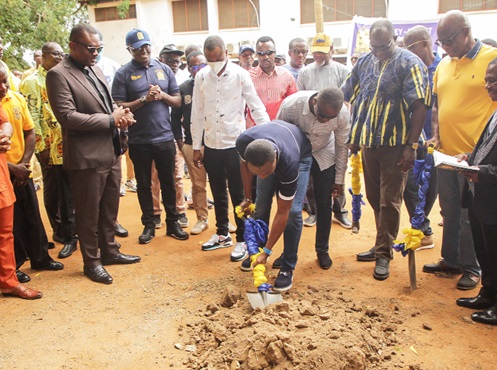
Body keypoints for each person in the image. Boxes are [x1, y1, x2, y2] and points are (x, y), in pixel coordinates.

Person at [46, 23, 141, 284]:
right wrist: (112, 119)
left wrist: (122, 117)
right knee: (88, 213)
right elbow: (68, 117)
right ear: (73, 46)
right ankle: (92, 261)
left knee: (109, 208)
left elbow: (107, 103)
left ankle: (109, 251)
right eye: (91, 49)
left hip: (110, 151)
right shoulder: (58, 75)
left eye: (99, 49)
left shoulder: (94, 68)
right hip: (86, 158)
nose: (95, 53)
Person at [342, 19, 431, 281]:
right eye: (374, 46)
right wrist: (353, 136)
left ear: (395, 39)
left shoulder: (409, 62)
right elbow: (348, 93)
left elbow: (419, 107)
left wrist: (411, 146)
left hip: (396, 146)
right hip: (370, 143)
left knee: (389, 200)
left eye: (384, 45)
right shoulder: (365, 62)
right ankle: (382, 243)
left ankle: (384, 255)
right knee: (373, 196)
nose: (378, 51)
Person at [422, 10, 497, 290]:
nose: (445, 47)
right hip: (446, 154)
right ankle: (450, 260)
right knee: (449, 210)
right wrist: (436, 135)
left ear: (466, 31)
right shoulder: (443, 64)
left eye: (449, 40)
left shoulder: (491, 58)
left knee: (470, 215)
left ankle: (472, 267)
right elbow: (438, 105)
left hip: (476, 158)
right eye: (441, 42)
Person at [191, 35, 269, 255]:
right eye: (208, 59)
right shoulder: (201, 77)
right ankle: (222, 233)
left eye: (216, 58)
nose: (213, 63)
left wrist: (270, 133)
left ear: (226, 53)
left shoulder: (241, 75)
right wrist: (197, 146)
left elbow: (256, 106)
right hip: (211, 144)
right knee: (217, 191)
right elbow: (196, 113)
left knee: (239, 193)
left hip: (235, 144)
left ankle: (243, 239)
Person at [112, 29, 188, 244]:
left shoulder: (163, 69)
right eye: (138, 48)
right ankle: (149, 223)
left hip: (164, 137)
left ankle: (173, 222)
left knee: (169, 182)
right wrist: (144, 99)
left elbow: (178, 100)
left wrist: (161, 95)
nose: (144, 51)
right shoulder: (123, 73)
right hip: (139, 139)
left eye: (146, 46)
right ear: (129, 50)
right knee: (144, 184)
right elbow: (119, 106)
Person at [268, 87, 350, 271]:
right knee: (291, 207)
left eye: (330, 118)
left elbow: (342, 146)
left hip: (324, 154)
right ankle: (287, 252)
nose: (325, 120)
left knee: (324, 203)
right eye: (322, 115)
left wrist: (339, 179)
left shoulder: (342, 114)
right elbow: (278, 135)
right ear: (314, 102)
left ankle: (322, 250)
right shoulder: (292, 105)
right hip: (295, 154)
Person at [1, 63, 65, 283]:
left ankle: (40, 257)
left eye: (4, 80)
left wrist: (25, 164)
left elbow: (30, 131)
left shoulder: (16, 99)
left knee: (32, 215)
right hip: (4, 173)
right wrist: (12, 168)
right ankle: (14, 266)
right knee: (11, 224)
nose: (3, 86)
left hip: (22, 169)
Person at [19, 42, 79, 259]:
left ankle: (69, 228)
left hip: (67, 144)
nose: (59, 57)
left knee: (68, 189)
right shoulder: (31, 82)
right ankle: (60, 230)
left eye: (61, 53)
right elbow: (32, 118)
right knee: (54, 190)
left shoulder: (62, 76)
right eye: (55, 54)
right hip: (49, 146)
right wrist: (41, 148)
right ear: (43, 56)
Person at [236, 121, 312, 291]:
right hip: (270, 148)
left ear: (275, 160)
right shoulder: (243, 141)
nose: (262, 177)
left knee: (293, 212)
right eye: (257, 173)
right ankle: (256, 254)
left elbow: (282, 212)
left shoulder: (290, 164)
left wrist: (268, 252)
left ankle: (287, 266)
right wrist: (248, 198)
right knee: (261, 204)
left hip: (300, 157)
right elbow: (244, 166)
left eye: (266, 173)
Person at [455, 57, 497, 325]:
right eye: (486, 80)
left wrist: (482, 172)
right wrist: (469, 157)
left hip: (493, 198)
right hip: (482, 199)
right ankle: (489, 294)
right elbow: (488, 149)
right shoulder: (495, 110)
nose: (487, 86)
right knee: (486, 251)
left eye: (493, 81)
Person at [297, 32, 352, 230]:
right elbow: (301, 97)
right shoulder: (305, 72)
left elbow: (346, 102)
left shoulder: (342, 70)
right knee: (311, 177)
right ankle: (313, 212)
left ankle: (340, 211)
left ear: (332, 50)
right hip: (311, 131)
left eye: (322, 52)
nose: (318, 56)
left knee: (337, 171)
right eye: (316, 53)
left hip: (334, 127)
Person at [401, 25, 442, 251]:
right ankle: (422, 229)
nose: (407, 52)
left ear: (426, 44)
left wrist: (436, 135)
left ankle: (423, 230)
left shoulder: (441, 69)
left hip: (437, 142)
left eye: (411, 47)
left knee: (430, 187)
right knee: (410, 185)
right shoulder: (408, 69)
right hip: (413, 140)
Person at [0, 107, 42, 299]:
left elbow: (5, 121)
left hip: (2, 181)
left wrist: (4, 135)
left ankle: (9, 283)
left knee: (5, 235)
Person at [171, 51, 209, 235]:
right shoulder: (184, 88)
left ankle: (223, 221)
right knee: (198, 184)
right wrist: (181, 144)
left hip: (214, 143)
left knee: (219, 184)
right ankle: (202, 219)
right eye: (194, 66)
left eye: (202, 65)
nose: (199, 69)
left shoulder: (215, 85)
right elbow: (175, 117)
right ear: (189, 68)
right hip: (191, 144)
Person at [157, 43, 189, 229]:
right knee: (155, 177)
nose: (174, 63)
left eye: (177, 60)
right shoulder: (153, 75)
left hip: (175, 134)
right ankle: (155, 214)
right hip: (156, 133)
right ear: (161, 59)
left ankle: (180, 211)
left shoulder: (183, 79)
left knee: (177, 175)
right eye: (169, 59)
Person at [246, 36, 297, 127]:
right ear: (256, 55)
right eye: (261, 54)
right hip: (254, 130)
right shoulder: (247, 77)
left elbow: (293, 107)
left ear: (275, 53)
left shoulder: (287, 77)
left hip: (279, 128)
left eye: (269, 53)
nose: (265, 57)